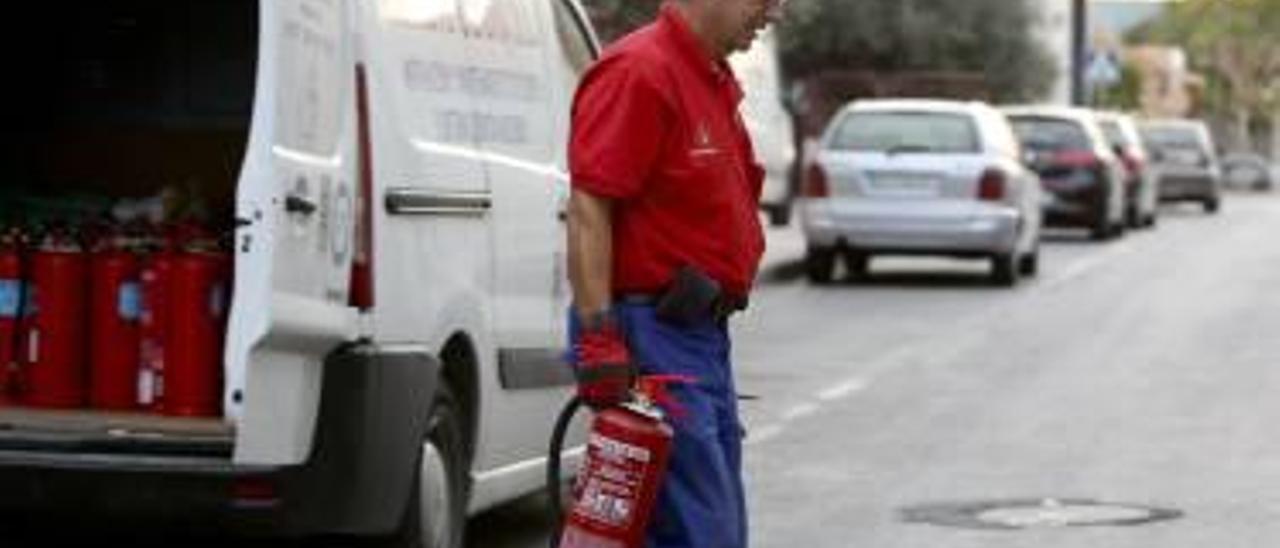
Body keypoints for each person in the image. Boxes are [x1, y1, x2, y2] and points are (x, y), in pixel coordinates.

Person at [565, 0, 783, 546]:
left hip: (696, 337)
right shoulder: (641, 72)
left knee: (700, 523)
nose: (774, 13)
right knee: (700, 530)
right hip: (652, 336)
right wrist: (598, 337)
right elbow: (590, 207)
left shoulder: (709, 78)